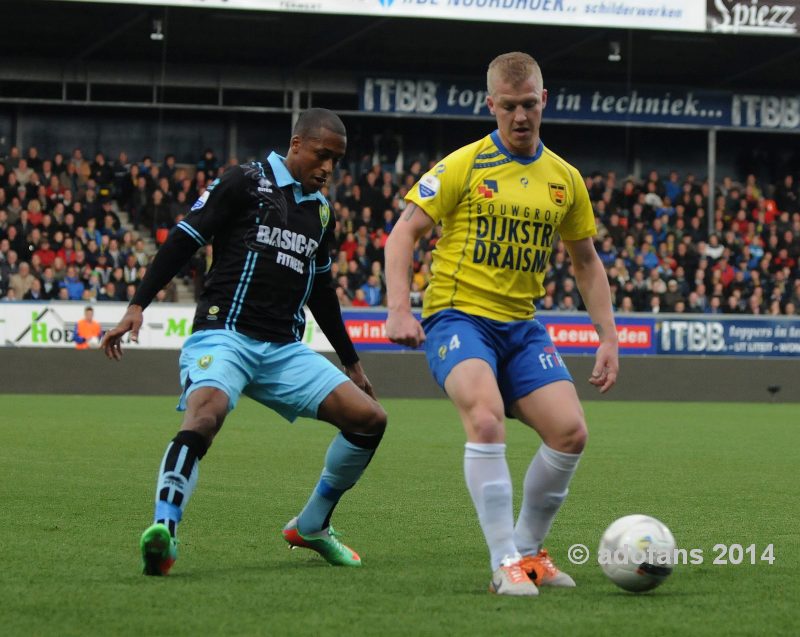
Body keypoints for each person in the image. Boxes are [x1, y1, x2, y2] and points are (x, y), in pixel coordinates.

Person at [102, 108, 387, 576]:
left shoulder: (320, 212)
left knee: (369, 420)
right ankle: (164, 531)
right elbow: (183, 238)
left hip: (283, 349)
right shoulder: (244, 182)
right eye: (322, 155)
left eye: (337, 161)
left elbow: (321, 292)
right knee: (207, 412)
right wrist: (137, 304)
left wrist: (351, 363)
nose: (328, 169)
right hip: (225, 334)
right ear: (296, 145)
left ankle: (312, 525)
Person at [385, 52, 618, 597]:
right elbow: (403, 233)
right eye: (508, 106)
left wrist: (608, 335)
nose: (520, 116)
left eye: (529, 104)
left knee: (570, 432)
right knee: (486, 420)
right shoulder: (464, 164)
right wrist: (398, 307)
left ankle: (531, 552)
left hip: (521, 326)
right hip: (457, 316)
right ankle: (502, 561)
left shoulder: (565, 179)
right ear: (490, 105)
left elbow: (586, 261)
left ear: (544, 102)